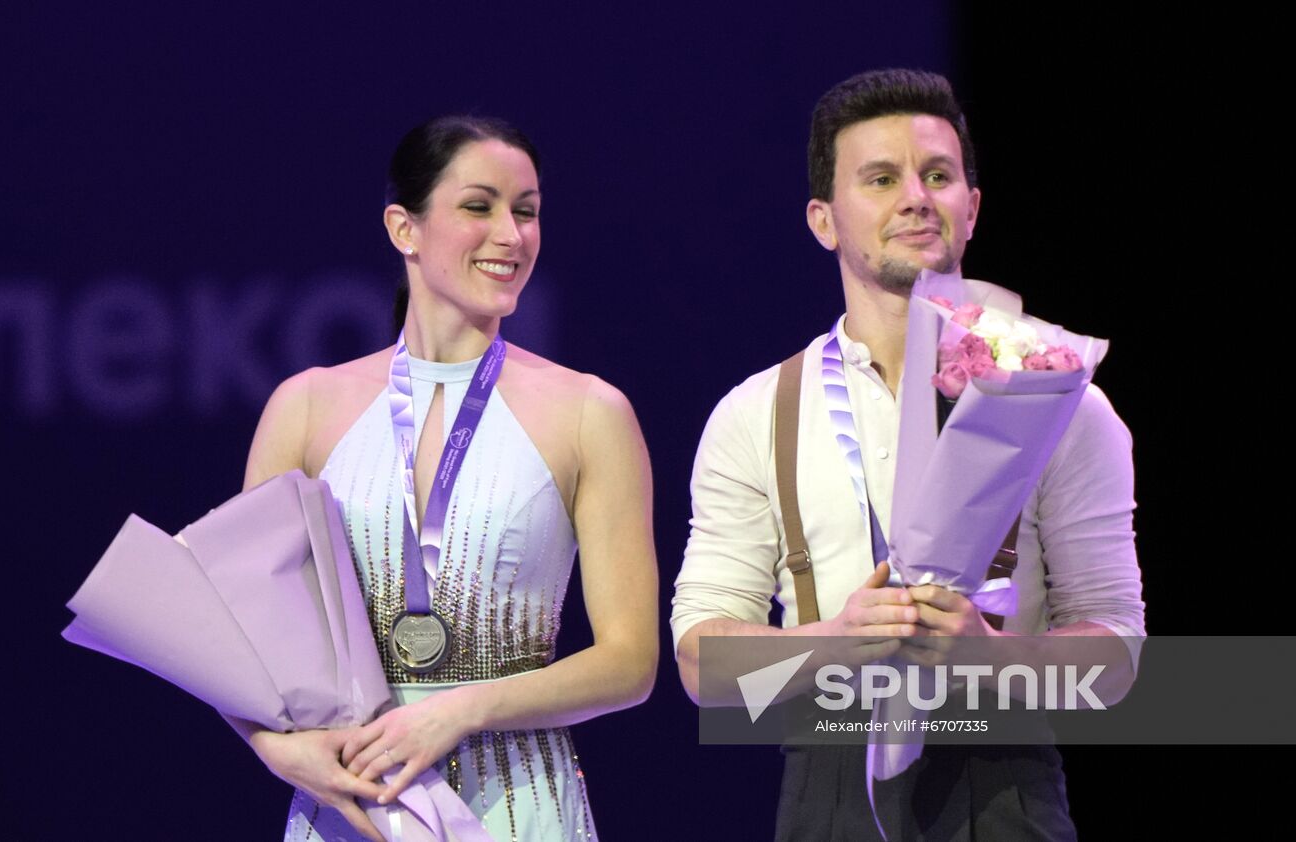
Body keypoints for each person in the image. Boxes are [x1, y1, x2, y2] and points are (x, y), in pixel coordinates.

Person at [670, 69, 1145, 840]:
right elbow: (700, 666)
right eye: (882, 179)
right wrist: (842, 637)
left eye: (938, 176)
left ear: (973, 207)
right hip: (827, 779)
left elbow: (1117, 654)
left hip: (1003, 782)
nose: (917, 198)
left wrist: (990, 656)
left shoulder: (1060, 399)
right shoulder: (756, 411)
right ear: (824, 220)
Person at [232, 115, 658, 841]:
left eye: (526, 212)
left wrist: (461, 710)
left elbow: (630, 662)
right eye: (479, 206)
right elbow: (238, 636)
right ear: (405, 229)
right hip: (352, 797)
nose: (511, 234)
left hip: (521, 805)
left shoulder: (591, 413)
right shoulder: (304, 407)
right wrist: (278, 750)